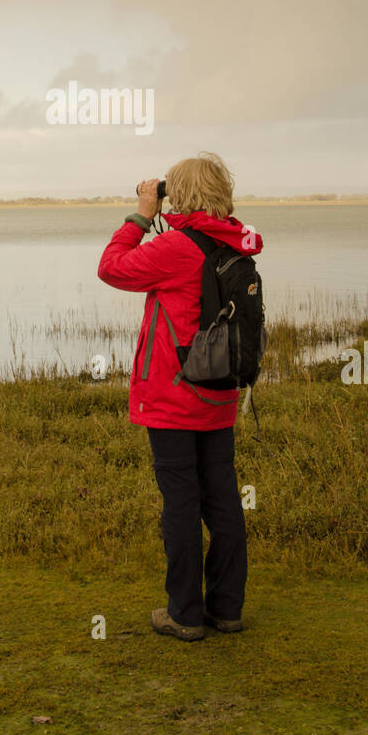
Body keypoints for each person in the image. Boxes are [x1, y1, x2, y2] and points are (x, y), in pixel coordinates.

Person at [97, 152, 264, 642]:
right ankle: (226, 609)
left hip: (173, 402)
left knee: (181, 507)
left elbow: (111, 268)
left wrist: (141, 215)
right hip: (219, 397)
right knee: (223, 503)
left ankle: (185, 614)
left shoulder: (176, 249)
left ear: (178, 195)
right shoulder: (235, 246)